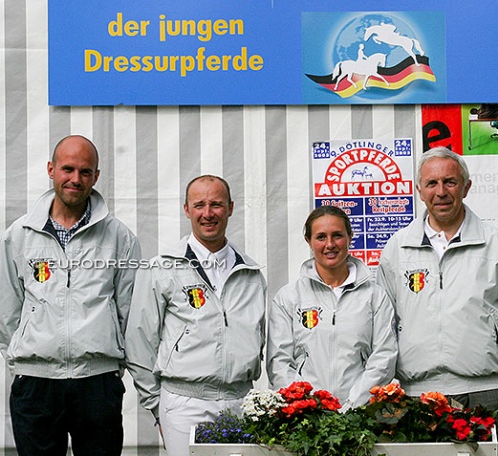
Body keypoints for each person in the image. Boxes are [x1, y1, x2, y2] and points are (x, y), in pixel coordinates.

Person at [376, 147, 498, 456]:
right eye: (432, 184)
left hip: (484, 391)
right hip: (416, 395)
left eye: (450, 182)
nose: (441, 192)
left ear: (466, 187)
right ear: (419, 191)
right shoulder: (397, 248)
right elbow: (383, 326)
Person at [0, 135, 141, 456]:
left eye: (85, 171)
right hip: (36, 383)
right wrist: (25, 356)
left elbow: (128, 310)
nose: (76, 179)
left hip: (97, 382)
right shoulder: (18, 236)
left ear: (96, 176)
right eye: (67, 169)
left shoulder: (120, 237)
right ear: (51, 169)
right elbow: (6, 309)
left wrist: (109, 358)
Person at [125, 175, 266, 456]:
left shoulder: (251, 272)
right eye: (199, 205)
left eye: (216, 204)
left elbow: (258, 336)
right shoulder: (163, 267)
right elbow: (138, 342)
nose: (208, 213)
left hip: (240, 399)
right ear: (187, 210)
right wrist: (156, 405)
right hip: (184, 402)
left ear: (230, 208)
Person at [267, 205, 397, 409]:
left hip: (360, 416)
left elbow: (384, 358)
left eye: (337, 235)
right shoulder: (289, 297)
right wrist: (309, 407)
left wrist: (352, 407)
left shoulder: (375, 296)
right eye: (320, 237)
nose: (330, 245)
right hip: (306, 419)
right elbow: (279, 363)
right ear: (308, 241)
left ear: (350, 237)